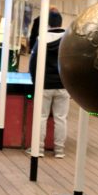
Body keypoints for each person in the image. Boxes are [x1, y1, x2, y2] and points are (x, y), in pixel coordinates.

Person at [29, 9, 70, 158]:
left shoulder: (41, 39)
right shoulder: (68, 40)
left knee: (41, 117)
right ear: (60, 22)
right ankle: (59, 150)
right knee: (61, 118)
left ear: (47, 24)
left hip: (44, 85)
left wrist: (35, 83)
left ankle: (38, 149)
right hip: (63, 86)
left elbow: (33, 64)